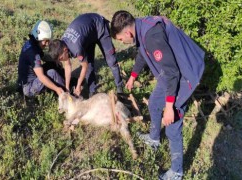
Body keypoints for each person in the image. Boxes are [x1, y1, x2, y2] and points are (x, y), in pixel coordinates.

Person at [110, 11, 205, 179]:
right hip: (171, 72)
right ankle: (154, 139)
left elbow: (172, 73)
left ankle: (176, 172)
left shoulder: (152, 36)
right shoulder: (140, 28)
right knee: (154, 103)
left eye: (120, 40)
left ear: (127, 33)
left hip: (185, 74)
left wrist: (169, 107)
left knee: (172, 125)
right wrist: (133, 76)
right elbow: (143, 54)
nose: (122, 43)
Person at [48, 13, 123, 97]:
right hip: (88, 34)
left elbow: (84, 66)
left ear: (65, 50)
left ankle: (120, 87)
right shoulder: (62, 44)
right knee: (90, 63)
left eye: (61, 58)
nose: (61, 60)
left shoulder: (76, 48)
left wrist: (78, 85)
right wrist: (67, 88)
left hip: (99, 26)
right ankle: (92, 91)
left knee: (111, 60)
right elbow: (67, 66)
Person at [17, 20, 66, 97]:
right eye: (45, 41)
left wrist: (56, 59)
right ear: (38, 37)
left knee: (53, 63)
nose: (47, 44)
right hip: (27, 89)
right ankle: (67, 94)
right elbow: (41, 77)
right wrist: (56, 88)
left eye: (48, 41)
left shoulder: (31, 43)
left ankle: (65, 82)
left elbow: (44, 57)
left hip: (23, 82)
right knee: (52, 73)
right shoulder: (34, 53)